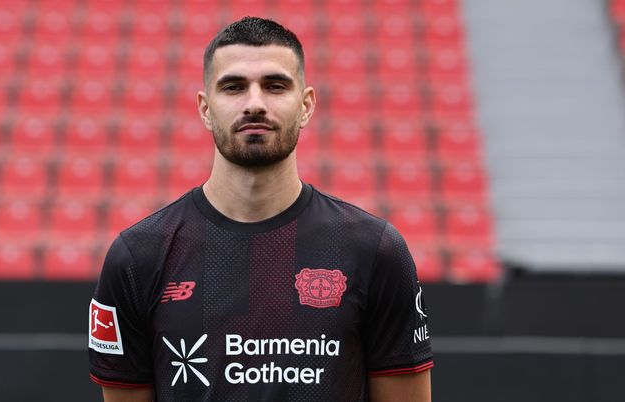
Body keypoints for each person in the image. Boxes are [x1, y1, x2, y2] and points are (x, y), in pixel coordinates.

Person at [88, 17, 433, 402]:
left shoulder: (374, 250)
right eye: (233, 87)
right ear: (205, 109)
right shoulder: (138, 257)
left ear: (306, 106)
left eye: (275, 86)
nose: (255, 104)